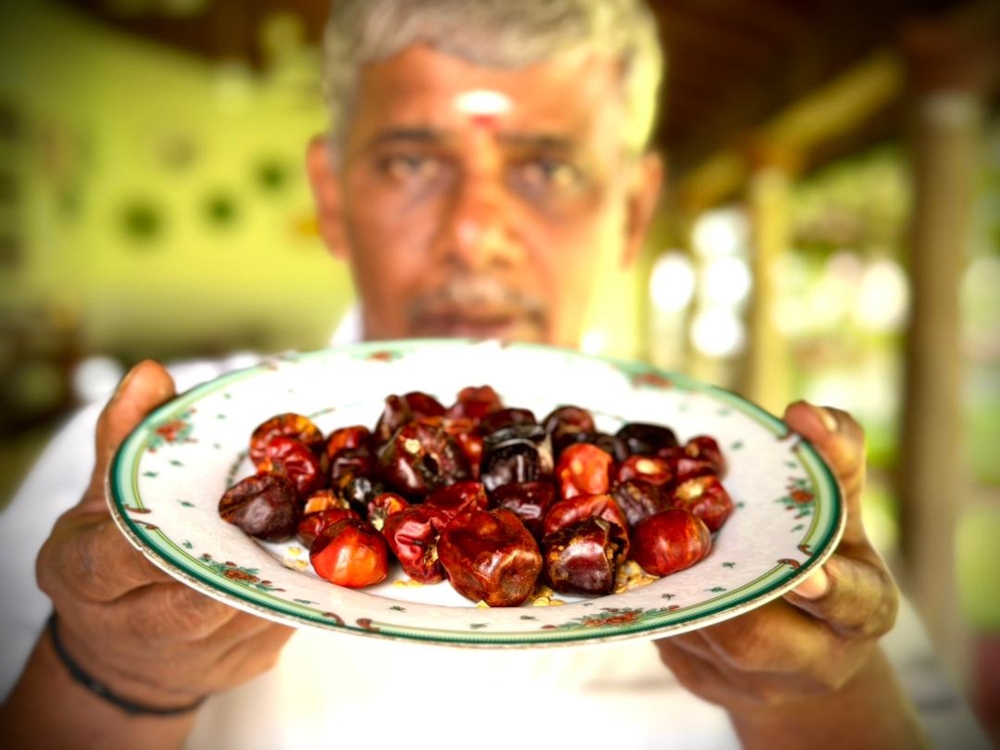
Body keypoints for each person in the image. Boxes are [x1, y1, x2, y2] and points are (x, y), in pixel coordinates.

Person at [0, 1, 988, 748]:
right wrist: (106, 673)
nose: (476, 234)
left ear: (634, 214)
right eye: (410, 163)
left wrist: (825, 701)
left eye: (546, 169)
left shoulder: (783, 519)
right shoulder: (137, 477)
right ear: (331, 196)